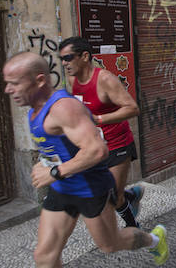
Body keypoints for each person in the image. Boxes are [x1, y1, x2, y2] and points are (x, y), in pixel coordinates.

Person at [2, 52, 169, 268]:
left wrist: (54, 172)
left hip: (90, 188)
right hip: (63, 189)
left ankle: (154, 238)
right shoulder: (34, 109)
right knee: (44, 254)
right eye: (7, 83)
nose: (8, 89)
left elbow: (97, 150)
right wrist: (50, 167)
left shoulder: (64, 108)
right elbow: (59, 149)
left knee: (110, 244)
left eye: (14, 83)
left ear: (39, 80)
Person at [58, 37, 142, 228]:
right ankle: (131, 195)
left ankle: (133, 227)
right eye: (61, 59)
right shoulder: (71, 80)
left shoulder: (104, 80)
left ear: (85, 56)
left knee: (113, 197)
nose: (64, 63)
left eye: (68, 58)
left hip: (117, 144)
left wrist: (99, 119)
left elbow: (132, 109)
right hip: (93, 146)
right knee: (101, 190)